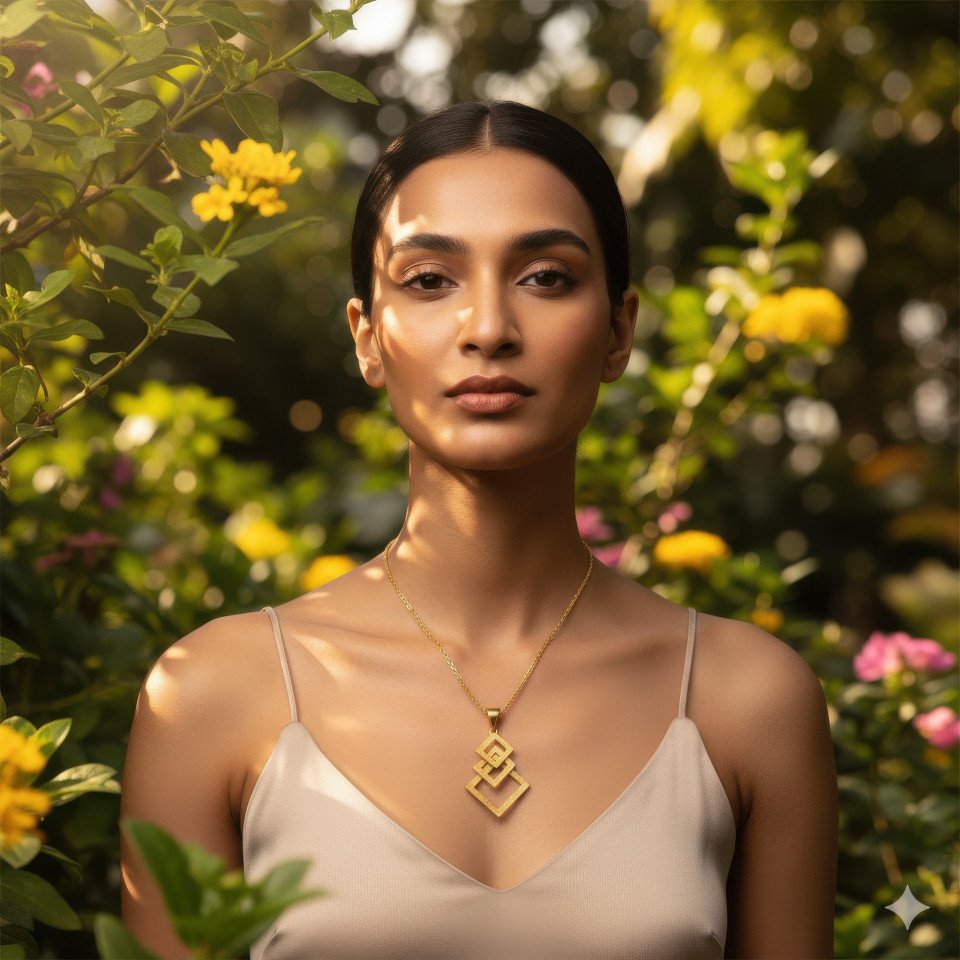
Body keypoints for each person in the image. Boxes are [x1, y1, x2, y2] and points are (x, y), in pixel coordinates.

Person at [120, 99, 838, 959]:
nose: (489, 330)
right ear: (368, 338)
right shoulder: (210, 695)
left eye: (545, 278)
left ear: (618, 332)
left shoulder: (748, 700)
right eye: (429, 281)